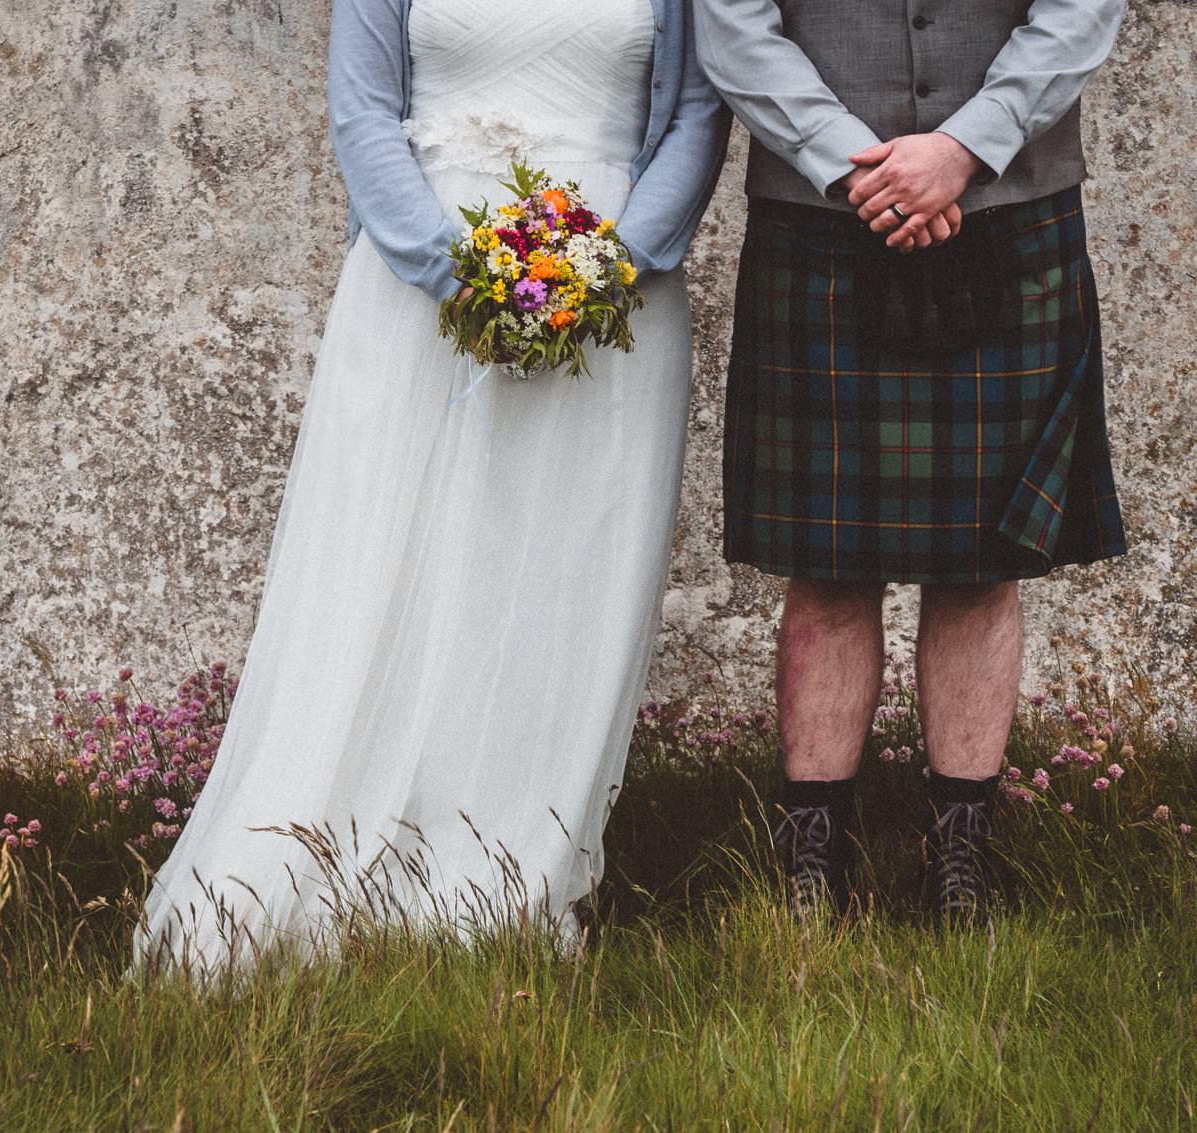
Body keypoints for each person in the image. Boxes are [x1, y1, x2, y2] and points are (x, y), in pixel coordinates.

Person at [135, 0, 729, 971]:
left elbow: (698, 118)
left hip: (612, 304)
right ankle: (340, 857)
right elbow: (362, 113)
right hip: (424, 294)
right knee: (389, 574)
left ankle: (511, 876)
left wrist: (604, 271)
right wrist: (465, 275)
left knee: (556, 589)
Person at [693, 0, 1127, 918]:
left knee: (982, 560)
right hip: (820, 213)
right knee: (825, 561)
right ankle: (811, 863)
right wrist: (858, 166)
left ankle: (960, 860)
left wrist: (963, 148)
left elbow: (1082, 8)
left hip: (1011, 205)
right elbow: (731, 23)